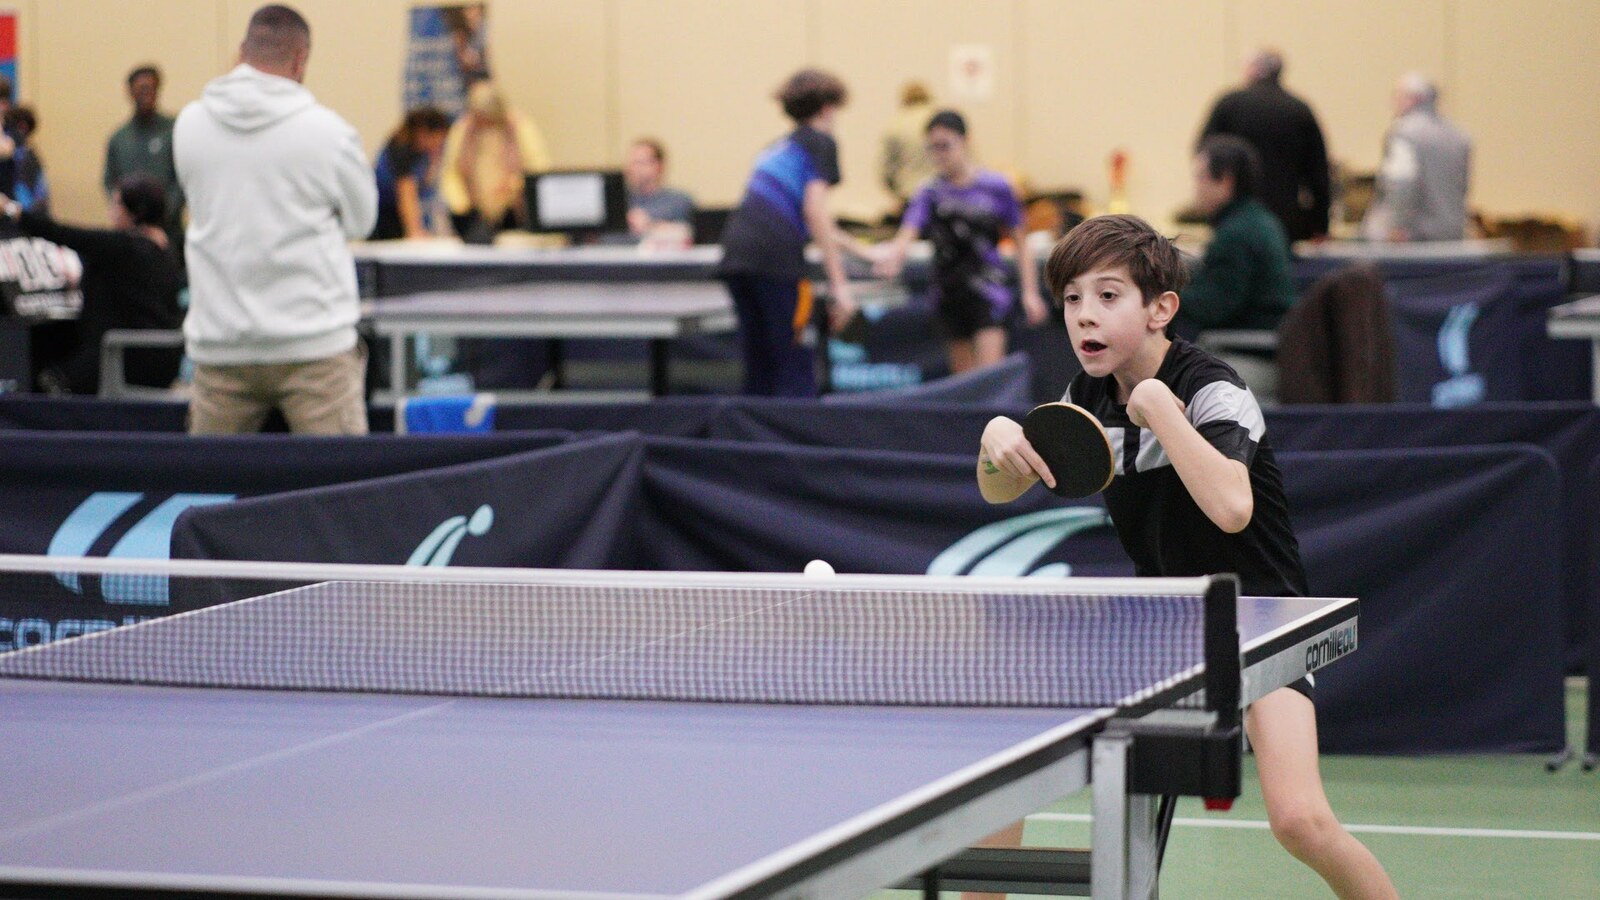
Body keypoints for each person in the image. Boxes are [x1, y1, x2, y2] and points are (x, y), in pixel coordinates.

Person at [976, 215, 1398, 900]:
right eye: (1073, 298)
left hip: (1262, 621)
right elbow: (1004, 486)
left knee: (1301, 821)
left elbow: (1232, 507)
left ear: (1161, 309)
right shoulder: (1084, 399)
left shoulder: (1214, 389)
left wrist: (1161, 409)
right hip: (1164, 621)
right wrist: (996, 439)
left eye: (1107, 296)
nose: (1084, 315)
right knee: (1003, 767)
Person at [174, 4, 377, 435]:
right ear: (301, 59)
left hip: (221, 348)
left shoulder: (188, 125)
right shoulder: (329, 133)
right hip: (315, 349)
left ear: (241, 51)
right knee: (339, 477)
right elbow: (362, 222)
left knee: (208, 476)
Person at [717, 68, 873, 397]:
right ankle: (796, 428)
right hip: (776, 263)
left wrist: (865, 252)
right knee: (793, 359)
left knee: (759, 362)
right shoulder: (821, 142)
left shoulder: (776, 148)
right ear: (828, 108)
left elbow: (809, 219)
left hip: (735, 256)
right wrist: (840, 285)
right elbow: (816, 213)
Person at [873, 109, 1047, 374]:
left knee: (989, 377)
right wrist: (893, 258)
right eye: (932, 148)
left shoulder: (996, 187)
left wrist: (1030, 292)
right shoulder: (930, 192)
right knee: (965, 381)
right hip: (949, 293)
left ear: (965, 141)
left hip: (988, 290)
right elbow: (906, 233)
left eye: (945, 146)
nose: (939, 155)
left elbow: (1021, 244)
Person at [0, 175, 183, 395]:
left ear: (135, 211)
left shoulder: (124, 247)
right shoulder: (166, 250)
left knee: (46, 377)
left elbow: (61, 233)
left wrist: (9, 208)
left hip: (127, 359)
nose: (112, 211)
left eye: (116, 204)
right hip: (159, 360)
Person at [1198, 49, 1331, 243]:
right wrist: (1320, 224)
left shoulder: (1228, 105)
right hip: (1285, 221)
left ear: (1252, 70)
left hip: (1235, 218)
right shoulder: (1300, 110)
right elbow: (1319, 173)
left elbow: (1205, 155)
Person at [1175, 134, 1296, 335]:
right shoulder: (1259, 219)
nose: (1196, 188)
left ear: (1225, 180)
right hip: (1268, 330)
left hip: (1247, 336)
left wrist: (1162, 297)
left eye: (1201, 177)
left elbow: (1212, 307)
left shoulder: (1236, 234)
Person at [1361, 73, 1472, 243]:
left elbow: (1401, 182)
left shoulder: (1404, 133)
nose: (1394, 103)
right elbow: (1462, 185)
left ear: (1413, 99)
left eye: (1397, 96)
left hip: (1413, 236)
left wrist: (1397, 225)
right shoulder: (1458, 136)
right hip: (1451, 233)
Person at [438, 79, 551, 244]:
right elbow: (450, 172)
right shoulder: (462, 129)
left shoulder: (520, 126)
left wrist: (514, 185)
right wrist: (462, 204)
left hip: (513, 208)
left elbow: (538, 166)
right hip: (473, 212)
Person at [103, 65, 184, 248]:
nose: (146, 94)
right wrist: (126, 215)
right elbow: (110, 182)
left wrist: (161, 215)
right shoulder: (119, 139)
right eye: (141, 89)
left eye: (150, 88)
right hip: (130, 236)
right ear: (130, 92)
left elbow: (183, 179)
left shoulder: (174, 131)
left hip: (170, 234)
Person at [370, 106, 451, 240]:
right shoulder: (400, 149)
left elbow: (424, 188)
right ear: (423, 132)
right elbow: (405, 193)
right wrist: (415, 230)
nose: (438, 145)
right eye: (437, 139)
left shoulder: (423, 154)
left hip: (398, 213)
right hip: (384, 218)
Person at [621, 137, 695, 245]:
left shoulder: (679, 201)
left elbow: (689, 235)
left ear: (659, 166)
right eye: (632, 163)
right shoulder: (619, 202)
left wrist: (650, 226)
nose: (634, 169)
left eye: (641, 162)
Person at [880, 81, 937, 213]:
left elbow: (886, 170)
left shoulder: (894, 126)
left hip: (910, 196)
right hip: (942, 195)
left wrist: (896, 192)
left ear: (904, 100)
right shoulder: (943, 121)